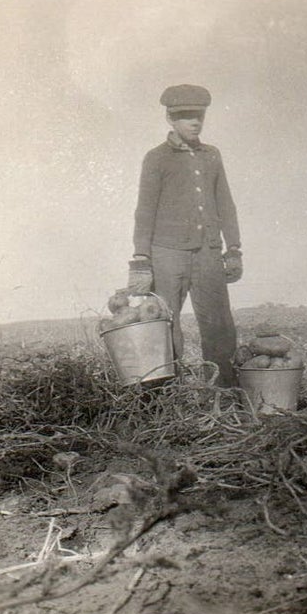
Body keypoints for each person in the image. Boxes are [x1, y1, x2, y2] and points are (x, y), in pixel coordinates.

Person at [128, 84, 243, 388]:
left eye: (199, 116)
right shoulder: (156, 159)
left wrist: (233, 248)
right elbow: (145, 210)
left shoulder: (212, 156)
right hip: (167, 255)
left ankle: (225, 395)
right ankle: (166, 401)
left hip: (208, 253)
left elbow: (225, 204)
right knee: (164, 326)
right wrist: (141, 259)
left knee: (219, 327)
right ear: (170, 118)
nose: (195, 122)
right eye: (186, 116)